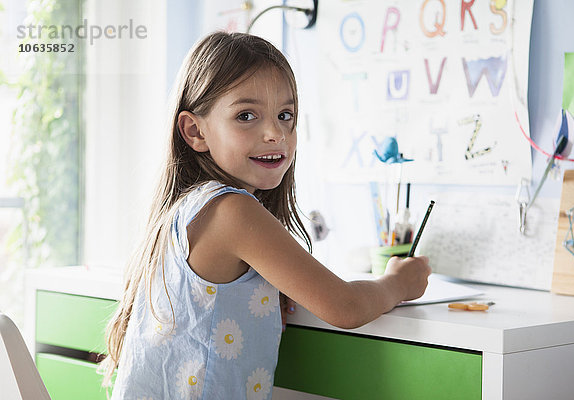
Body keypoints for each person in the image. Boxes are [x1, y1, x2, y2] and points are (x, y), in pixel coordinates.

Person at [101, 31, 431, 399]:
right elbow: (346, 307)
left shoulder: (186, 208)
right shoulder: (232, 210)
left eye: (285, 115)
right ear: (196, 131)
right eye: (246, 116)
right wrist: (399, 282)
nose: (275, 133)